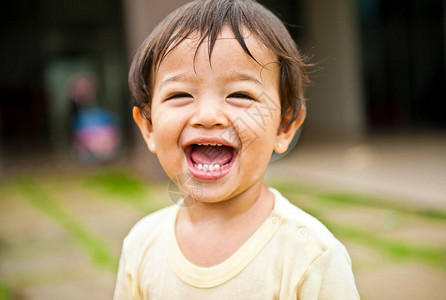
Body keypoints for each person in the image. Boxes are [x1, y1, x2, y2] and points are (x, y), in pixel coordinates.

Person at [114, 0, 359, 299]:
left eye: (240, 94)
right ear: (148, 127)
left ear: (284, 128)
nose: (208, 116)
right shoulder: (141, 244)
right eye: (180, 94)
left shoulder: (311, 257)